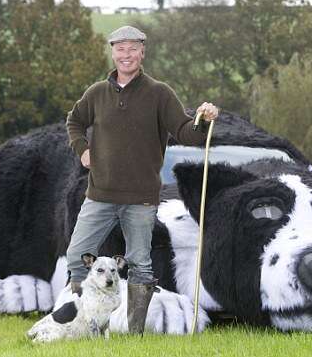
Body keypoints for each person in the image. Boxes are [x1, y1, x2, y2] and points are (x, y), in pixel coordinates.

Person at [65, 25, 219, 334]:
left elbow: (186, 132)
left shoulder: (160, 93)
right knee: (74, 256)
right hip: (100, 195)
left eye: (132, 48)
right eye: (120, 49)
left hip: (141, 197)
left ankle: (133, 334)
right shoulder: (96, 93)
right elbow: (75, 121)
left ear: (142, 52)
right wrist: (82, 150)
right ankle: (84, 324)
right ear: (113, 53)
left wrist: (204, 118)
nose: (126, 54)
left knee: (140, 264)